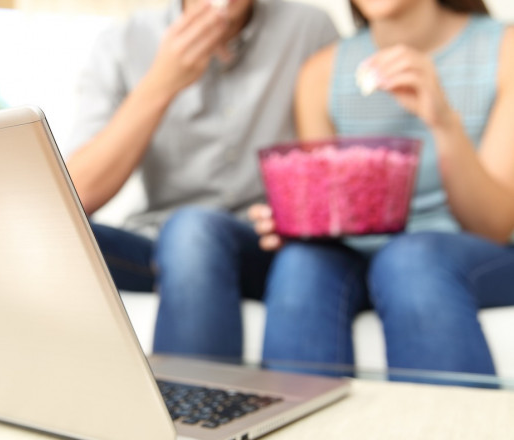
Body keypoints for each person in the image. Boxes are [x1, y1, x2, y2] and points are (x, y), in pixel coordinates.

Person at [250, 0, 514, 382]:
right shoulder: (320, 74)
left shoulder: (504, 51)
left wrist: (442, 119)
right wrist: (295, 217)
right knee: (301, 263)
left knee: (409, 259)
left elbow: (492, 225)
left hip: (472, 253)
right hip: (361, 255)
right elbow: (331, 212)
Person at [64, 0, 338, 358]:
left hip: (260, 246)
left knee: (193, 229)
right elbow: (77, 194)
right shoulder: (124, 41)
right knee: (48, 231)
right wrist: (160, 84)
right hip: (161, 246)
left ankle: (200, 412)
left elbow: (329, 174)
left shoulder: (310, 29)